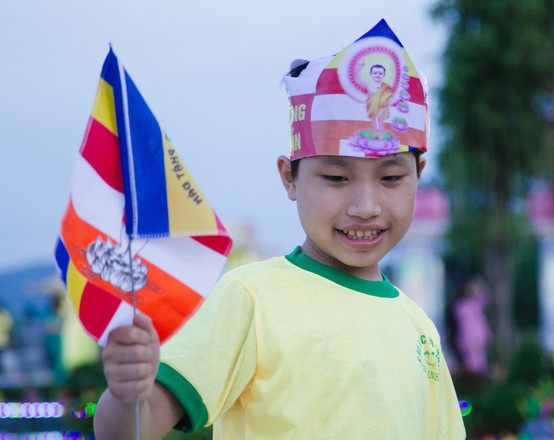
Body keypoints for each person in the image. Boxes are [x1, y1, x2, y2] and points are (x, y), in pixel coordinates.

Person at [93, 19, 465, 439]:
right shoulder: (251, 298)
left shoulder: (420, 329)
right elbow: (129, 429)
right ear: (289, 177)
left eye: (391, 178)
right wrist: (128, 394)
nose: (366, 207)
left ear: (419, 174)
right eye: (336, 178)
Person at [452, 276, 492, 375]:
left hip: (480, 338)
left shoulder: (476, 304)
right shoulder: (461, 306)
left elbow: (488, 297)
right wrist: (470, 340)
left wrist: (480, 285)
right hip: (468, 339)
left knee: (482, 364)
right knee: (472, 364)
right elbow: (465, 325)